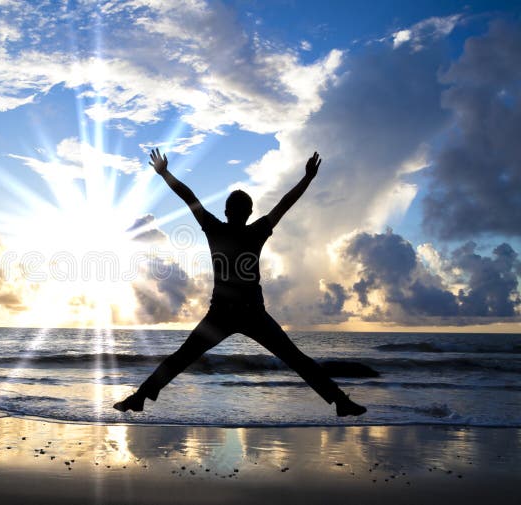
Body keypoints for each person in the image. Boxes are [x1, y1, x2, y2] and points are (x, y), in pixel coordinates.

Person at [113, 148, 367, 417]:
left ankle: (140, 397)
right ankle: (340, 401)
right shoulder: (256, 231)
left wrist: (164, 173)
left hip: (223, 314)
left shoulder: (215, 228)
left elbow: (190, 198)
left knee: (181, 358)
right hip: (251, 313)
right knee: (296, 359)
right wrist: (307, 179)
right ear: (250, 213)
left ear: (226, 211)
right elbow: (284, 204)